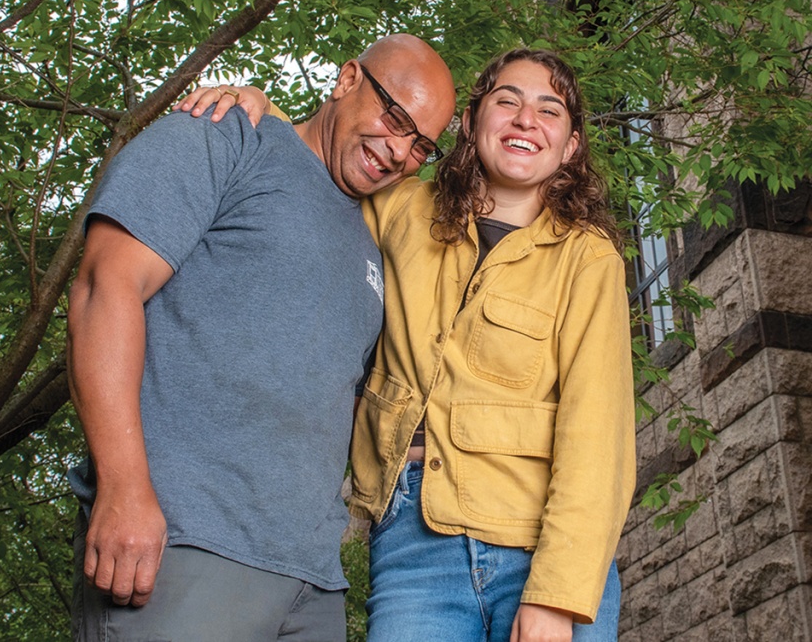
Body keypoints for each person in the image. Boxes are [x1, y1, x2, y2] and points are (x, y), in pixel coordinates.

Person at [178, 47, 635, 641]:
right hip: (411, 549)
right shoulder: (401, 209)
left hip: (537, 543)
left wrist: (557, 594)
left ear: (570, 145)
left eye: (550, 111)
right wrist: (266, 118)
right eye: (508, 101)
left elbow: (599, 440)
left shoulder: (588, 259)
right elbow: (316, 178)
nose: (527, 120)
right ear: (470, 124)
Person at [65, 34, 455, 642]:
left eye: (421, 143)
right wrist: (122, 488)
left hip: (312, 585)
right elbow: (101, 289)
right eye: (394, 116)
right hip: (183, 548)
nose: (399, 150)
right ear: (347, 79)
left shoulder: (372, 238)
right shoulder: (223, 135)